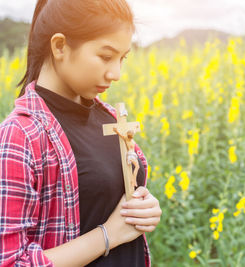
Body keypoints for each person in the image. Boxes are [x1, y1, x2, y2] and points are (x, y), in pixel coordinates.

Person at [0, 0, 162, 266]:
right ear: (60, 46)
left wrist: (145, 208)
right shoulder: (20, 137)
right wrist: (107, 235)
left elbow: (111, 199)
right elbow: (11, 262)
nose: (117, 73)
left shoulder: (112, 119)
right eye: (106, 56)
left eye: (122, 58)